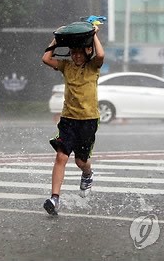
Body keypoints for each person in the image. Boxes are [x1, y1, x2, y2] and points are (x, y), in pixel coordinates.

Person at [41, 25, 104, 215]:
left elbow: (100, 55)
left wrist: (93, 35)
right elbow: (46, 58)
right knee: (61, 156)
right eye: (73, 53)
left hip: (88, 120)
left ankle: (87, 173)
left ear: (87, 52)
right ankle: (54, 198)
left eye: (79, 53)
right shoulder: (65, 66)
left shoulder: (93, 67)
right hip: (68, 119)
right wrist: (56, 39)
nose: (76, 56)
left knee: (80, 161)